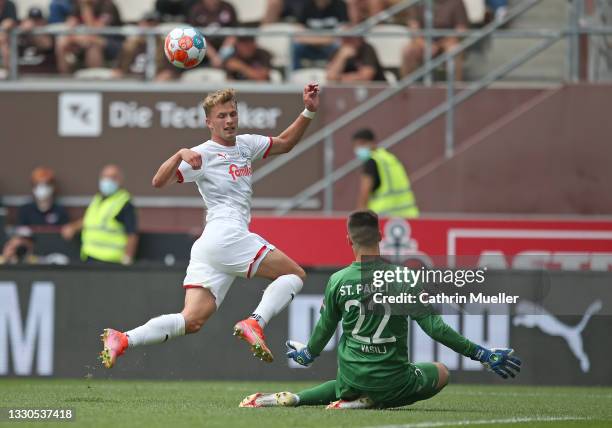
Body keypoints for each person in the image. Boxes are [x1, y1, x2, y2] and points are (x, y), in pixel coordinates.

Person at [99, 84, 320, 369]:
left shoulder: (246, 144)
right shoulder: (201, 154)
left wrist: (308, 111)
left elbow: (285, 143)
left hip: (212, 244)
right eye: (222, 116)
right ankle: (255, 323)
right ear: (209, 122)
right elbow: (158, 181)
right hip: (226, 234)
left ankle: (123, 339)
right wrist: (180, 153)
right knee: (295, 274)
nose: (229, 121)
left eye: (232, 114)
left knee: (192, 321)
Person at [239, 210, 522, 409]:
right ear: (380, 237)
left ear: (349, 240)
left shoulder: (337, 281)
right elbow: (435, 327)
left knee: (344, 383)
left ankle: (304, 399)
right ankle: (371, 400)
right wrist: (481, 353)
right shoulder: (403, 278)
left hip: (352, 378)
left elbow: (324, 329)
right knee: (441, 371)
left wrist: (307, 354)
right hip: (393, 381)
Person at [61, 164, 138, 265]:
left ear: (119, 180)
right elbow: (89, 220)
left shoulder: (124, 203)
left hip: (110, 261)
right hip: (89, 256)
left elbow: (132, 234)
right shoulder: (97, 199)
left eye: (112, 177)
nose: (107, 181)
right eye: (104, 176)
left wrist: (127, 257)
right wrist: (73, 227)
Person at [1, 167, 69, 263]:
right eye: (38, 184)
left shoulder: (60, 211)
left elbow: (64, 239)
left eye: (46, 184)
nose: (42, 188)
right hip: (30, 257)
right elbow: (20, 235)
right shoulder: (25, 210)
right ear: (33, 187)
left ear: (53, 186)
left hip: (53, 256)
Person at [353, 128, 419, 218]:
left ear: (372, 143)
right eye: (357, 145)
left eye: (362, 143)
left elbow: (365, 192)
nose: (359, 148)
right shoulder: (390, 158)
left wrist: (359, 216)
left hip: (384, 217)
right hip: (409, 215)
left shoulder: (371, 162)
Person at [400, 0, 469, 81]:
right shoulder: (417, 2)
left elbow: (461, 29)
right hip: (423, 41)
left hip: (447, 41)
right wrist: (425, 44)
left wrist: (440, 44)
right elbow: (413, 29)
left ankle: (456, 89)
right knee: (408, 51)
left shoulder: (456, 2)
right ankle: (406, 90)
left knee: (454, 50)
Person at [55, 0, 122, 74]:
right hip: (85, 39)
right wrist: (73, 38)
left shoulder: (108, 5)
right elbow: (70, 26)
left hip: (111, 43)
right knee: (61, 42)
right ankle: (65, 77)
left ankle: (95, 81)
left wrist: (86, 9)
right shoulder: (80, 5)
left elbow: (95, 30)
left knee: (93, 45)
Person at [292, 0, 348, 70]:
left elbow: (343, 34)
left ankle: (333, 74)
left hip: (331, 47)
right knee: (295, 46)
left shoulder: (340, 5)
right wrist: (324, 40)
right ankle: (295, 74)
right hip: (310, 46)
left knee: (342, 47)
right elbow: (298, 34)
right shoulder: (306, 5)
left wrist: (311, 39)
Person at [0, 0, 17, 72]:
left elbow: (10, 22)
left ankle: (5, 69)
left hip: (6, 37)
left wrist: (2, 30)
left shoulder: (9, 5)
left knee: (3, 40)